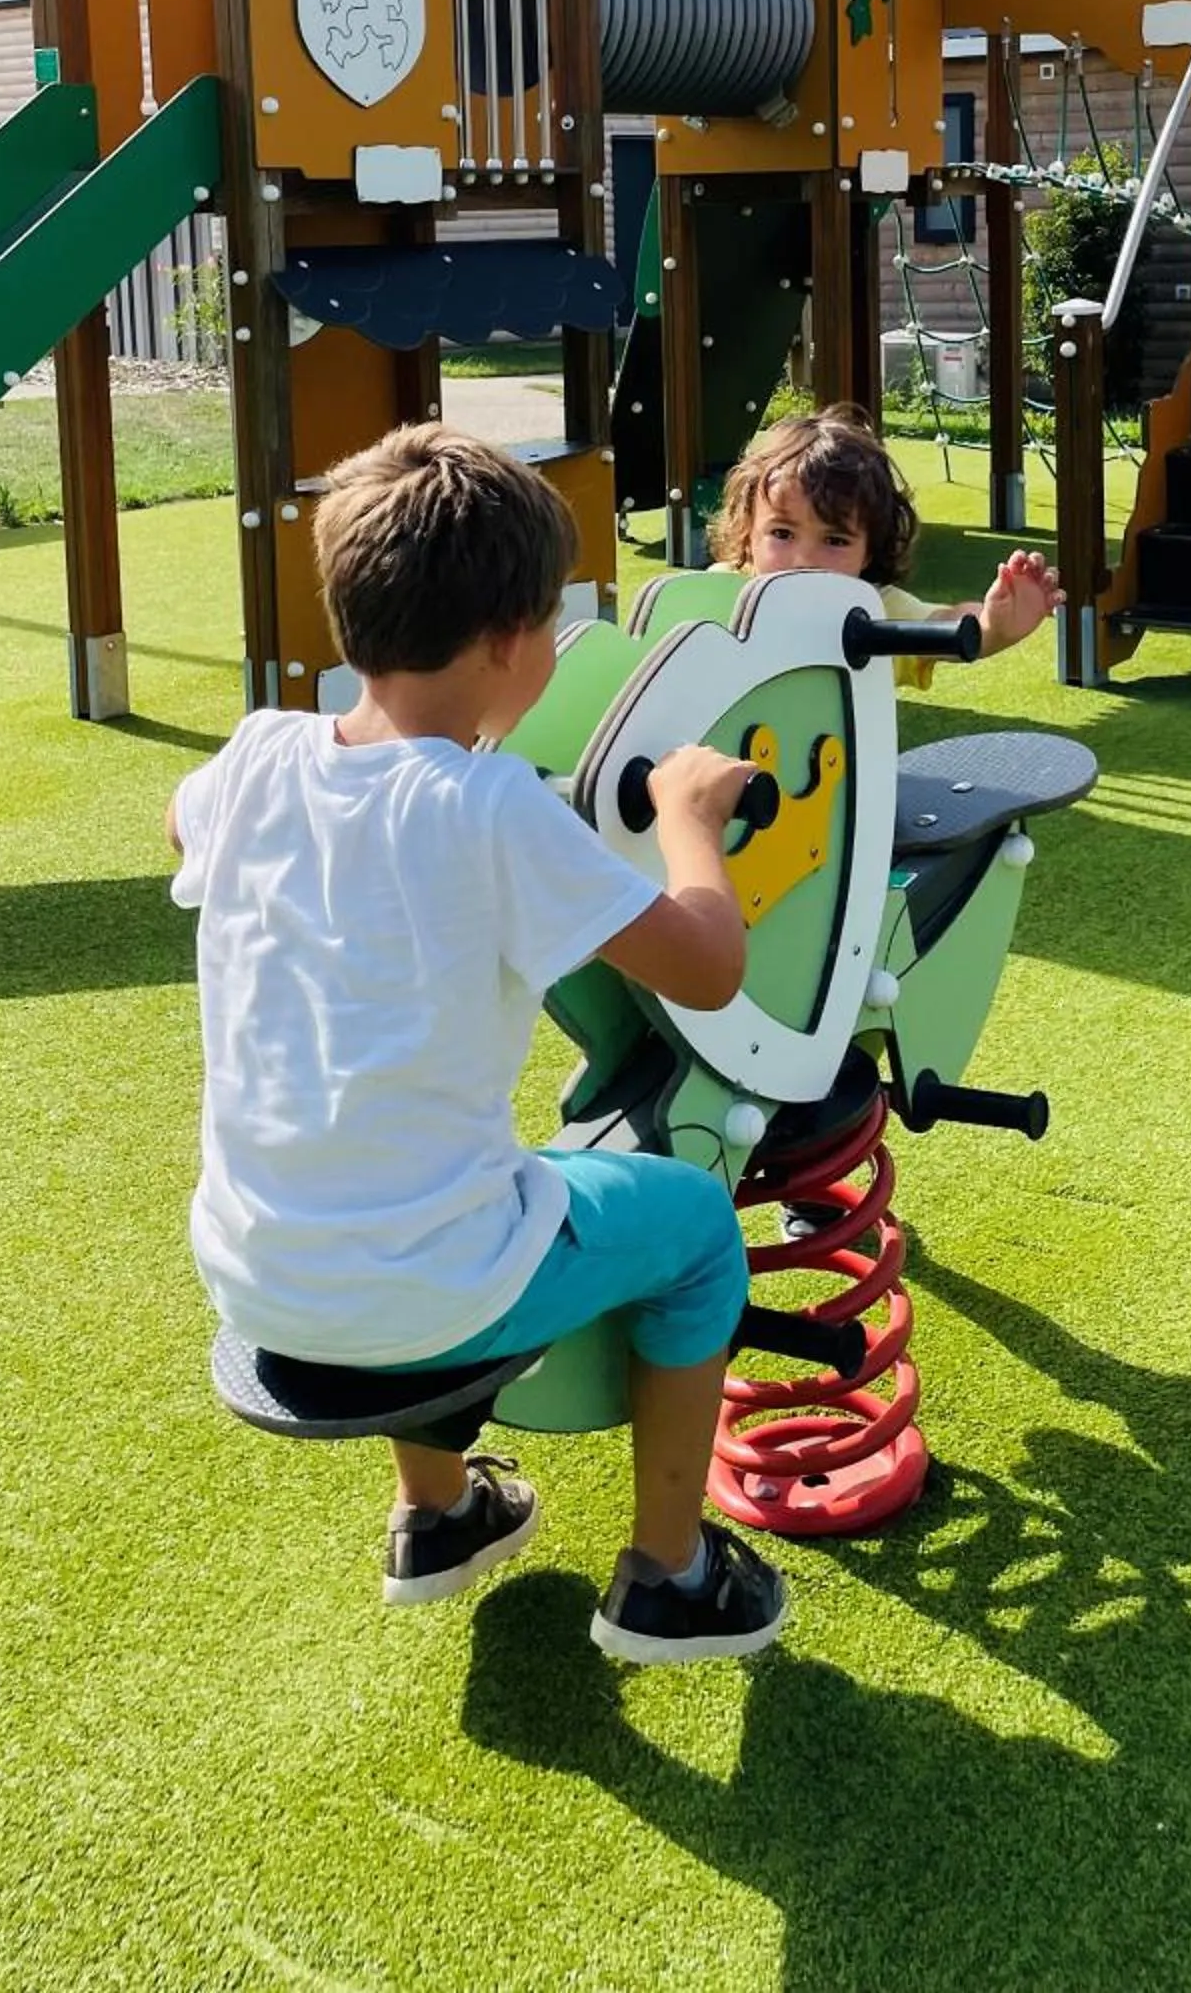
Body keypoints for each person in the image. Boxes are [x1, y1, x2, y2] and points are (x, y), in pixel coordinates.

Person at [168, 424, 789, 1666]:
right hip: (424, 1287)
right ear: (517, 641)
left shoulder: (252, 757)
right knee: (693, 1229)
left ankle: (439, 1514)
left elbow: (187, 842)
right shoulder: (488, 807)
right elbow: (711, 967)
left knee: (430, 1170)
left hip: (255, 1275)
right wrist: (687, 822)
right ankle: (671, 1574)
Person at [710, 401, 1064, 665]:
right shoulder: (717, 595)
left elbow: (940, 626)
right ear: (747, 532)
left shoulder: (873, 610)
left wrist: (992, 626)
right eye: (782, 533)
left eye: (835, 540)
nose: (805, 560)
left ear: (868, 551)